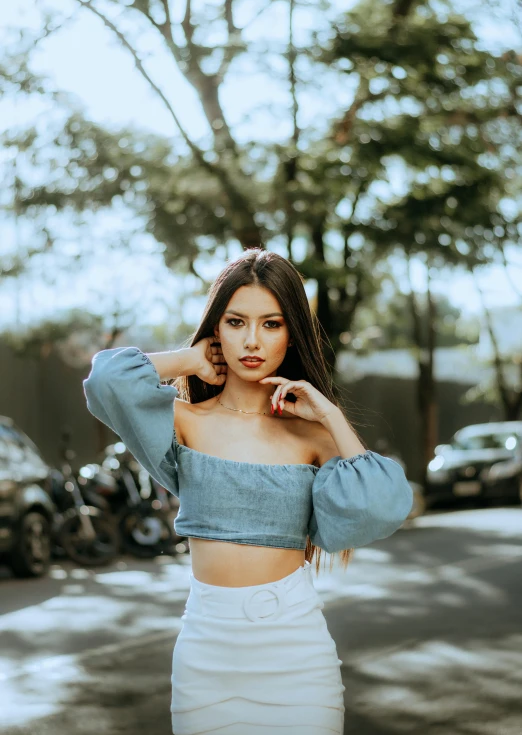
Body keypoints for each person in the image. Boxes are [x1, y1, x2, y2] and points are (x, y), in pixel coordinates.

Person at [83, 248, 413, 735]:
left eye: (271, 324)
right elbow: (107, 380)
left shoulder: (313, 437)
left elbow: (383, 506)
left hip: (295, 652)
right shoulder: (186, 422)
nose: (252, 340)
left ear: (291, 332)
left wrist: (331, 417)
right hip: (206, 653)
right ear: (217, 328)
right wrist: (190, 359)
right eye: (236, 322)